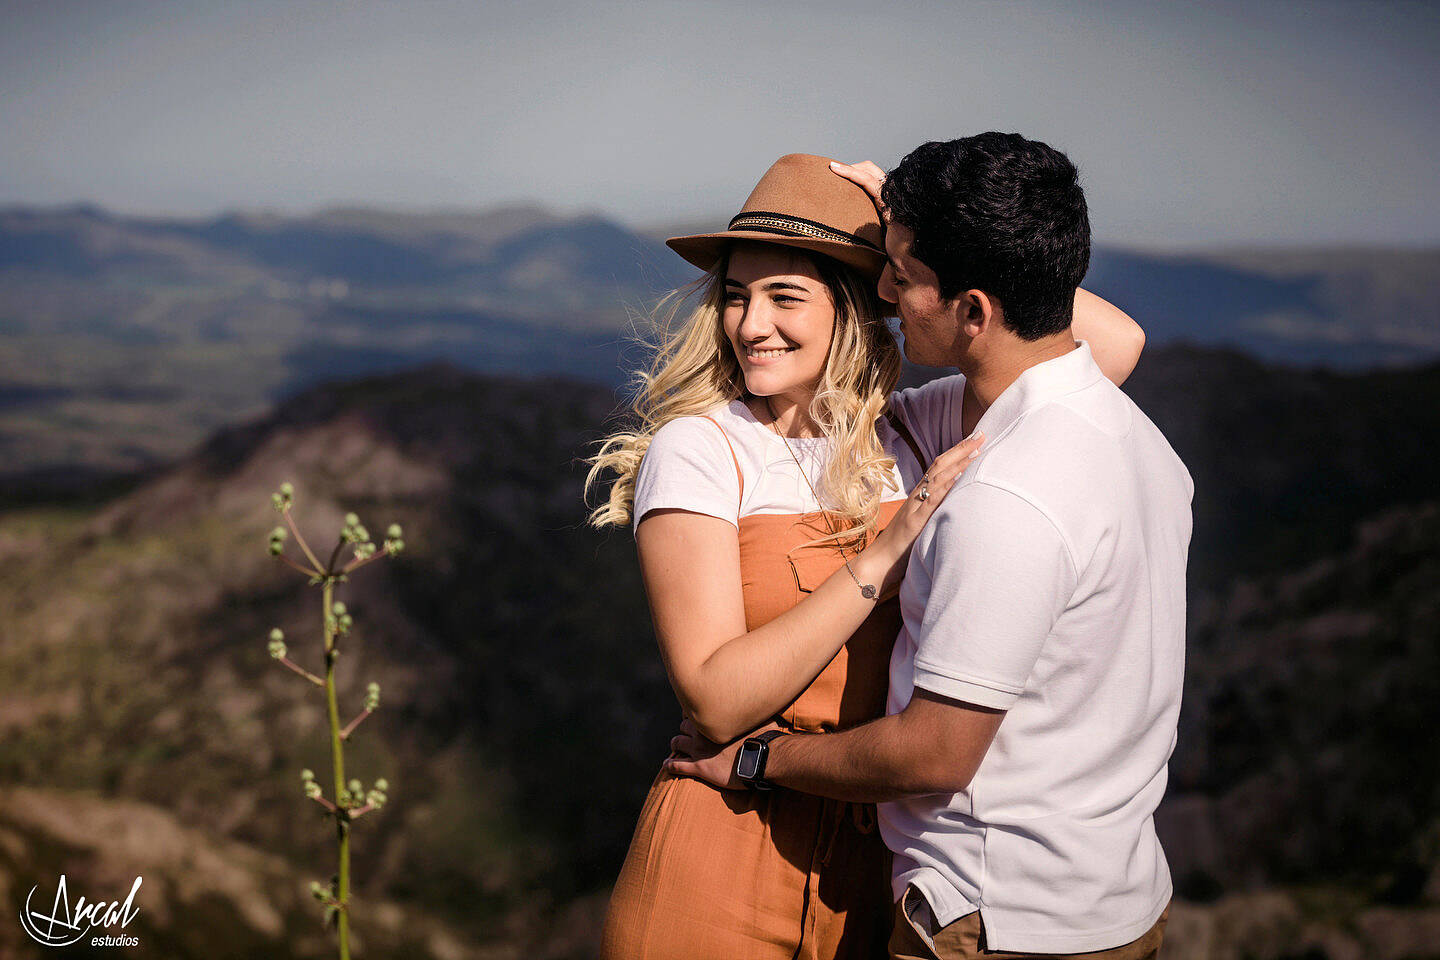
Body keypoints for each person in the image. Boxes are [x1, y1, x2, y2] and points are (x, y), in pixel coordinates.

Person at [587, 152, 1147, 960]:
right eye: (738, 296)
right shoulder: (702, 451)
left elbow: (1112, 349)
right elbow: (714, 699)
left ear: (857, 306)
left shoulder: (912, 429)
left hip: (876, 866)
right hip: (724, 845)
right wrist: (882, 555)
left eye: (785, 297)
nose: (751, 324)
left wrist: (920, 218)